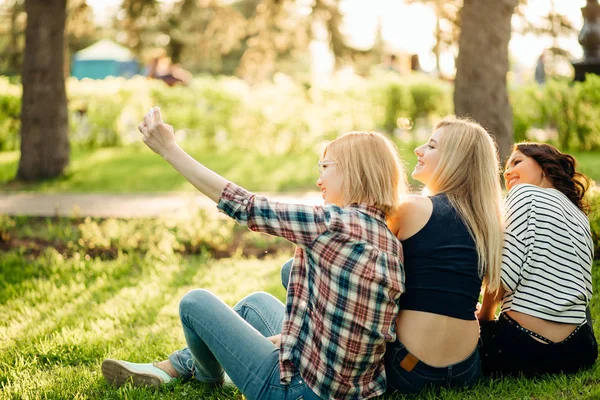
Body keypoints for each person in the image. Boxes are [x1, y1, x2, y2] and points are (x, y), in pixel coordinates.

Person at [102, 107, 408, 399]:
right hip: (351, 390)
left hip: (295, 392)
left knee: (195, 303)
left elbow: (244, 205)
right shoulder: (387, 238)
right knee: (255, 305)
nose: (319, 180)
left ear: (355, 171)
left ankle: (204, 375)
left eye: (325, 168)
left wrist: (170, 149)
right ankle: (180, 366)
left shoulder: (332, 225)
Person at [284, 117, 504, 394]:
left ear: (455, 159)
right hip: (467, 369)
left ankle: (294, 349)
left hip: (411, 369)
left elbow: (354, 261)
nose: (418, 150)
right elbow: (492, 295)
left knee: (291, 270)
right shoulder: (488, 223)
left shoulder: (412, 209)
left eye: (432, 146)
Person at [478, 142, 597, 376]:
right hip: (580, 350)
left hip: (523, 347)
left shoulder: (522, 193)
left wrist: (484, 318)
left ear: (545, 167)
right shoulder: (580, 216)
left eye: (517, 162)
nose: (508, 172)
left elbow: (502, 277)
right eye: (506, 168)